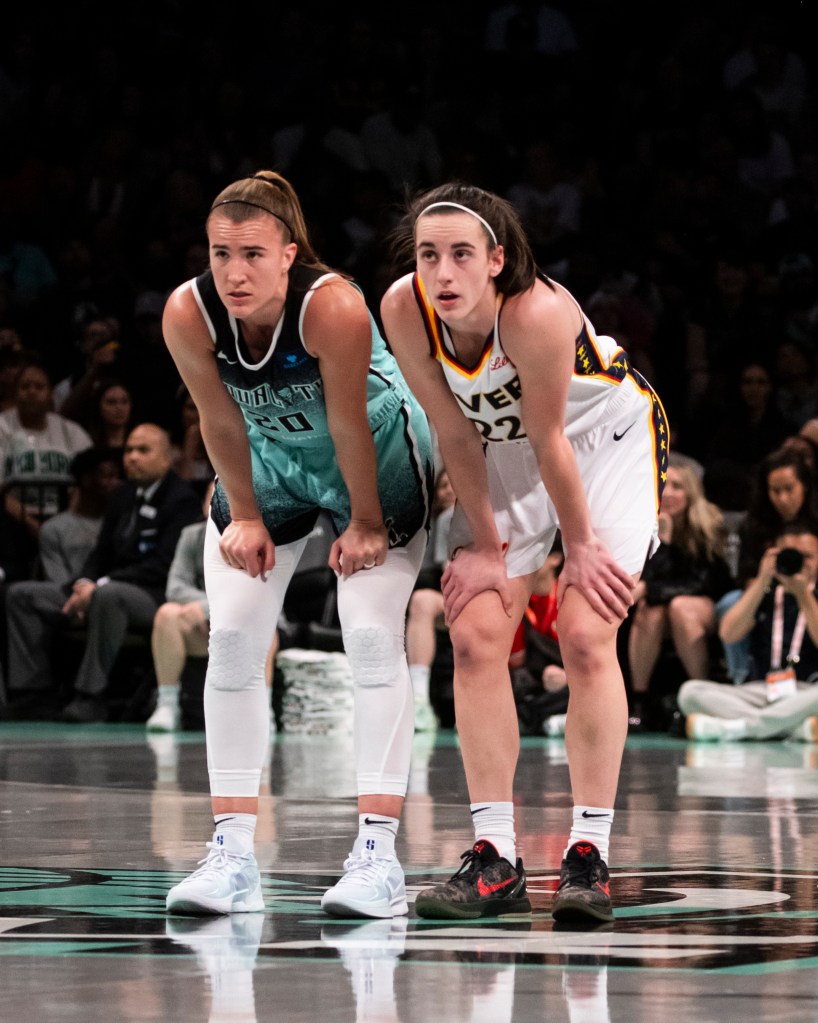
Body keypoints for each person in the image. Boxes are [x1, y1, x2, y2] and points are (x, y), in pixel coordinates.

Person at [380, 181, 667, 924]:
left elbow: (552, 443)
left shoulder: (537, 311)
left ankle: (587, 853)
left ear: (496, 260)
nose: (442, 273)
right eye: (428, 255)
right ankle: (494, 856)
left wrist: (579, 548)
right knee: (475, 634)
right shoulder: (402, 308)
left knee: (583, 631)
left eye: (461, 255)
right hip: (503, 453)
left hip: (602, 447)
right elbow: (452, 429)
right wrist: (483, 542)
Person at [161, 170, 434, 918]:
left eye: (252, 253)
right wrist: (243, 512)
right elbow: (217, 419)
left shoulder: (334, 307)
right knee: (234, 645)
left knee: (374, 637)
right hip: (269, 462)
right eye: (220, 254)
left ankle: (379, 857)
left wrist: (368, 523)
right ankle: (232, 852)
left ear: (288, 253)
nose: (234, 272)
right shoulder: (189, 312)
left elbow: (348, 425)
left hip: (370, 458)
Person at [4, 423, 202, 722]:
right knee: (23, 595)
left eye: (143, 450)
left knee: (110, 596)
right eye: (129, 450)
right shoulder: (121, 494)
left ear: (166, 457)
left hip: (154, 595)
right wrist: (84, 583)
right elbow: (101, 552)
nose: (132, 457)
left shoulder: (181, 500)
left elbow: (163, 564)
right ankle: (33, 693)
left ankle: (90, 697)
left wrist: (101, 585)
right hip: (104, 587)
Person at [678, 522, 818, 742]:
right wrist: (762, 578)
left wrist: (803, 595)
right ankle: (793, 730)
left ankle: (735, 728)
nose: (797, 562)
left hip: (806, 691)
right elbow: (728, 634)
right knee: (690, 692)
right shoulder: (764, 593)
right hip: (761, 690)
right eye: (789, 555)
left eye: (806, 556)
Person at [626, 456, 734, 730]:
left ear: (691, 492)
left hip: (708, 603)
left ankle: (701, 696)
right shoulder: (647, 524)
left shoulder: (709, 524)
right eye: (665, 485)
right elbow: (648, 578)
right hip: (662, 607)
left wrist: (652, 588)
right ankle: (640, 699)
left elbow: (706, 581)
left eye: (678, 486)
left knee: (680, 607)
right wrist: (664, 541)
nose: (670, 493)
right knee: (649, 611)